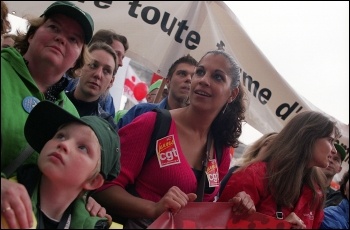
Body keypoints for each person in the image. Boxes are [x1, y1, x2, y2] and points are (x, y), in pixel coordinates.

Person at [92, 50, 255, 228]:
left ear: (232, 94)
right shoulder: (153, 124)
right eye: (200, 72)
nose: (203, 80)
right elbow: (102, 187)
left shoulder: (220, 150)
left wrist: (235, 205)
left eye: (217, 77)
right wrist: (153, 208)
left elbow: (205, 211)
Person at [1, 1, 107, 228]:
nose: (61, 38)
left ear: (78, 59)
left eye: (73, 39)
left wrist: (84, 204)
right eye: (54, 28)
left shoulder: (69, 114)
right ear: (32, 34)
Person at [2, 101, 121, 228]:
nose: (64, 144)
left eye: (83, 148)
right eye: (60, 136)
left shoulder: (96, 225)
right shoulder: (5, 197)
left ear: (94, 181)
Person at [218, 110, 341, 229]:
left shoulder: (316, 191)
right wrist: (276, 226)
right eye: (330, 140)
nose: (334, 150)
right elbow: (220, 224)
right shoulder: (254, 176)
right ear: (308, 137)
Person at [117, 54, 198, 129]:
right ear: (168, 81)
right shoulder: (140, 112)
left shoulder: (200, 127)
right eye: (182, 74)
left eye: (193, 76)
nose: (189, 79)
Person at [66, 29, 129, 118]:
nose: (121, 63)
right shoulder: (60, 86)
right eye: (116, 54)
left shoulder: (107, 115)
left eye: (106, 71)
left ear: (111, 81)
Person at [66, 42, 118, 130]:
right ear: (80, 67)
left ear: (111, 82)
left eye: (106, 71)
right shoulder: (55, 100)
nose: (98, 74)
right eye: (93, 65)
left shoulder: (107, 127)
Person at [219, 132, 278, 196]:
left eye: (274, 149)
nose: (269, 151)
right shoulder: (239, 169)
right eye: (267, 143)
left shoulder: (273, 184)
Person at [321, 143, 346, 207]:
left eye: (336, 159)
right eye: (328, 156)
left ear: (339, 169)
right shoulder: (300, 184)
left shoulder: (338, 197)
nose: (330, 160)